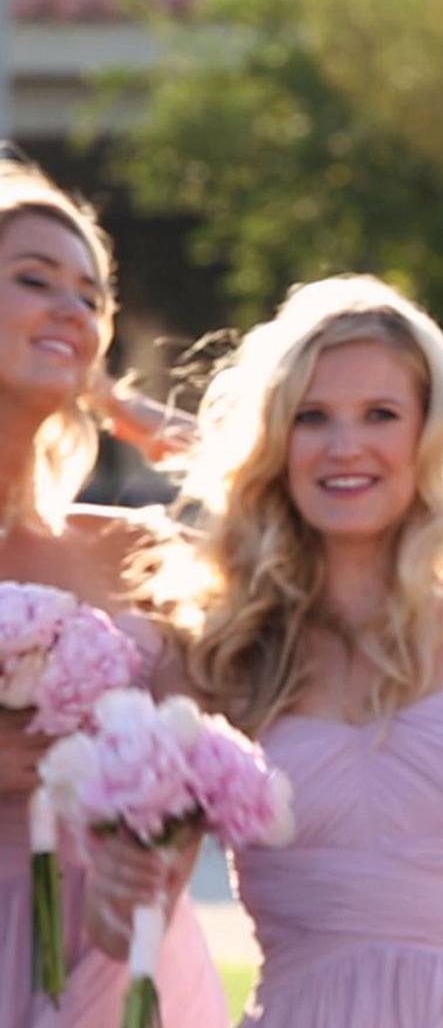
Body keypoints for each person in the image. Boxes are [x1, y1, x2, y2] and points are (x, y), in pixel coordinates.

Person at [90, 276, 443, 1027]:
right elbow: (130, 923)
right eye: (311, 417)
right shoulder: (217, 656)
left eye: (380, 415)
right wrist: (116, 882)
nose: (344, 445)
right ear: (277, 441)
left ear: (429, 434)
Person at [0, 160, 227, 1028]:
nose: (72, 308)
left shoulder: (133, 547)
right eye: (35, 280)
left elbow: (292, 500)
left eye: (91, 299)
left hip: (117, 960)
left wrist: (119, 404)